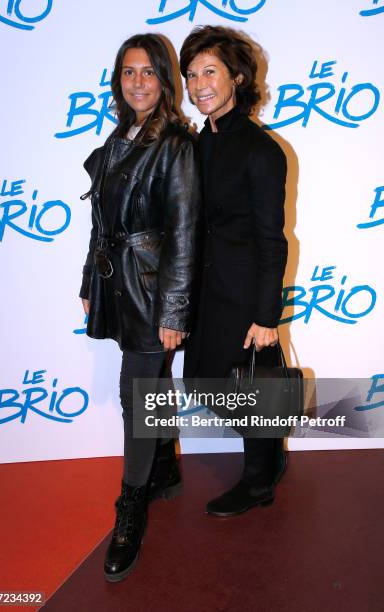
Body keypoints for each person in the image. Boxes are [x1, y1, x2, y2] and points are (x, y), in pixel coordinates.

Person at [79, 33, 200, 581]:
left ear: (164, 80)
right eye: (128, 72)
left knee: (138, 397)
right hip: (118, 283)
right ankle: (165, 470)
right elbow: (100, 223)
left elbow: (184, 231)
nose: (137, 82)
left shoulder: (175, 143)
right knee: (149, 391)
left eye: (148, 72)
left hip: (153, 290)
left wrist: (174, 310)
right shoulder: (117, 138)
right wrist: (89, 279)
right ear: (117, 81)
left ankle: (131, 506)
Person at [180, 26, 288, 516]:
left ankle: (259, 481)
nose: (199, 83)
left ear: (237, 78)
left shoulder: (262, 151)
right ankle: (274, 456)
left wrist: (267, 316)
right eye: (191, 74)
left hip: (243, 293)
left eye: (210, 71)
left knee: (252, 385)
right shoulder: (195, 146)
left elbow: (273, 239)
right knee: (211, 383)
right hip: (205, 291)